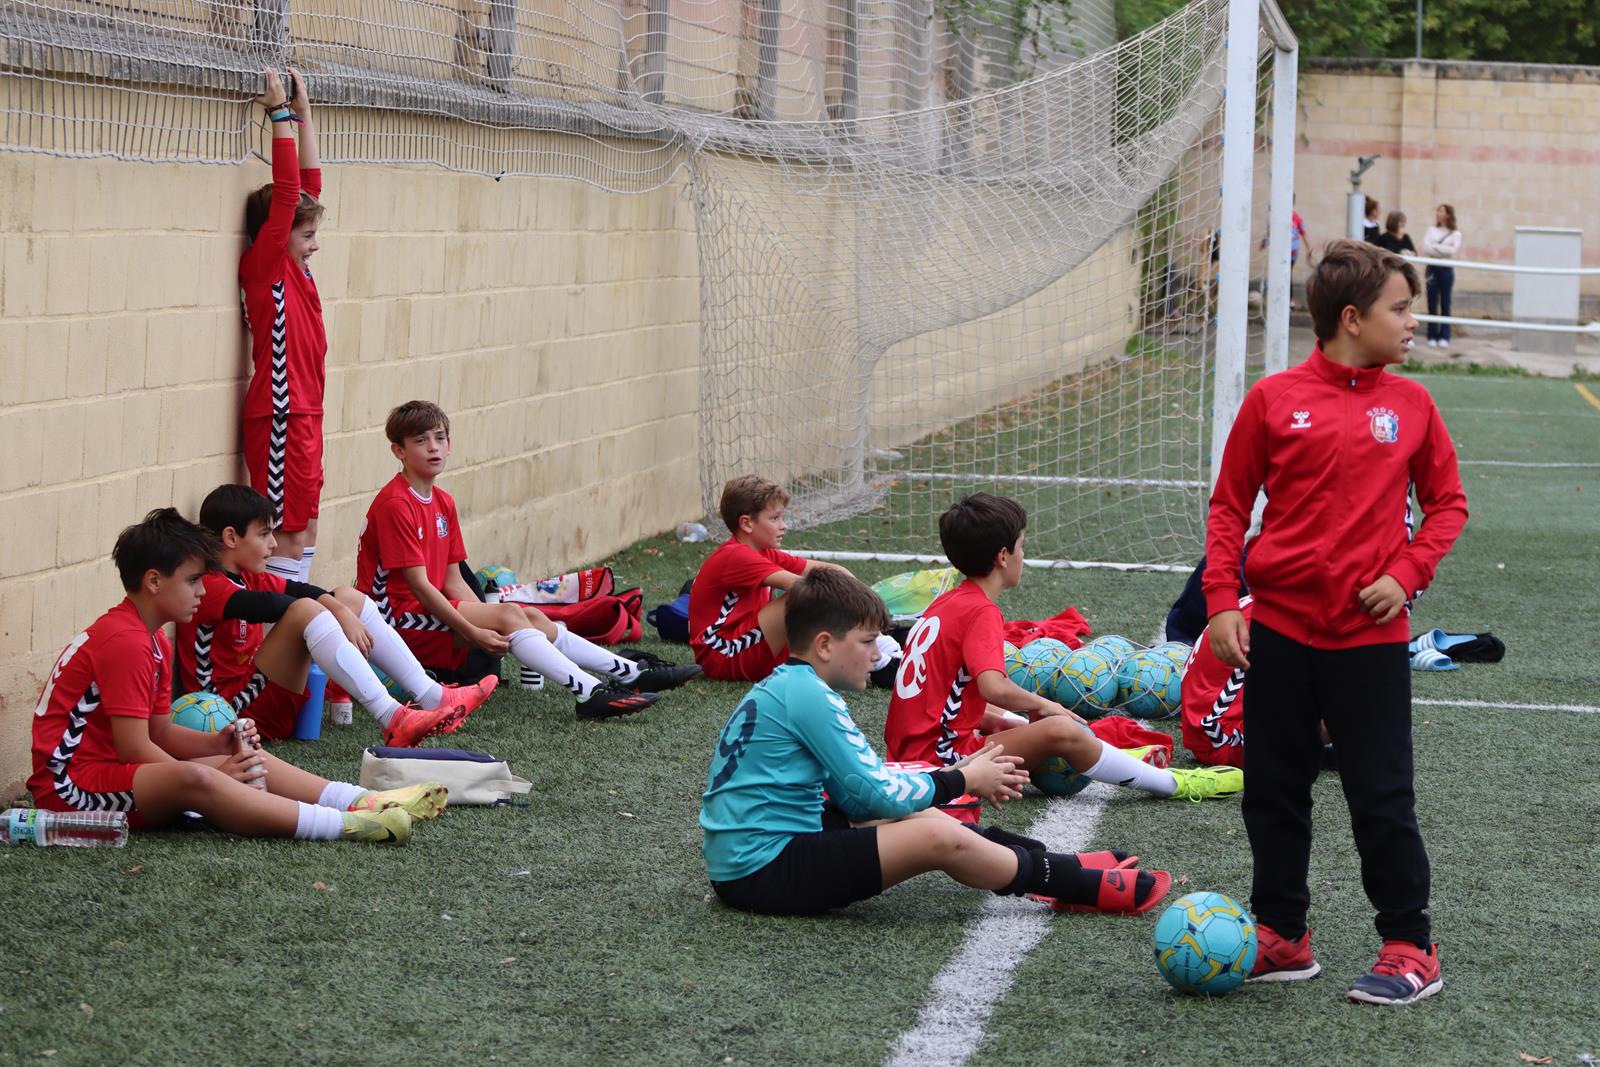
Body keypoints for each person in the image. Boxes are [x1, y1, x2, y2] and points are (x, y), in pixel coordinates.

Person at [1203, 239, 1467, 1005]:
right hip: (1280, 633)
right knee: (1272, 789)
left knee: (1380, 796)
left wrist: (1405, 573)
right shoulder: (1273, 399)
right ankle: (1282, 934)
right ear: (1352, 319)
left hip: (1368, 642)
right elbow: (1230, 506)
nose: (1411, 321)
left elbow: (1448, 505)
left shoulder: (1412, 405)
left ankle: (1411, 944)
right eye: (1399, 308)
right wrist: (1220, 601)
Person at [700, 567, 1164, 917]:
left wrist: (949, 778)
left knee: (916, 810)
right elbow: (873, 793)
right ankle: (1069, 883)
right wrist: (963, 778)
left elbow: (857, 797)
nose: (878, 654)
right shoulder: (807, 696)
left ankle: (1048, 862)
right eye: (867, 641)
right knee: (935, 836)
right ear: (824, 645)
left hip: (761, 855)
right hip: (762, 870)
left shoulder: (793, 686)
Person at [27, 508, 446, 845]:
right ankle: (346, 826)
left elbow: (159, 732)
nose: (201, 591)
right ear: (153, 581)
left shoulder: (151, 639)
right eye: (193, 580)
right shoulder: (127, 641)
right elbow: (136, 748)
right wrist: (215, 774)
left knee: (244, 758)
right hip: (69, 791)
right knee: (198, 778)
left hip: (108, 772)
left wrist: (218, 744)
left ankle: (363, 800)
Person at [883, 493, 1242, 805]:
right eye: (1022, 546)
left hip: (910, 755)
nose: (1024, 555)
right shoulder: (980, 611)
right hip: (942, 763)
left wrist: (1006, 721)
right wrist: (1044, 704)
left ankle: (1108, 753)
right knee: (1059, 730)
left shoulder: (947, 603)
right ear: (1003, 556)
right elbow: (993, 687)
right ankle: (1174, 783)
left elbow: (944, 697)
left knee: (1014, 719)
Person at [356, 401, 700, 721]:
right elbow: (419, 586)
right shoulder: (396, 504)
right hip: (394, 622)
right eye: (421, 440)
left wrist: (490, 622)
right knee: (509, 616)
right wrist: (475, 631)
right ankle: (591, 692)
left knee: (527, 616)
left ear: (450, 444)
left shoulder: (443, 501)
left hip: (423, 611)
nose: (433, 447)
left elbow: (452, 580)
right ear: (399, 451)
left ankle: (632, 674)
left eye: (440, 437)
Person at [176, 484, 497, 745]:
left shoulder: (248, 575)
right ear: (231, 538)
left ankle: (433, 696)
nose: (273, 544)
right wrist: (334, 614)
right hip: (232, 715)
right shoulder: (210, 584)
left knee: (346, 596)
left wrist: (341, 609)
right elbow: (275, 605)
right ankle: (393, 718)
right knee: (306, 610)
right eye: (264, 535)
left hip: (259, 697)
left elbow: (304, 590)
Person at [240, 67, 327, 584]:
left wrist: (303, 114)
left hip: (307, 412)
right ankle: (281, 626)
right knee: (284, 533)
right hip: (281, 414)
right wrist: (277, 115)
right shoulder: (267, 265)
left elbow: (307, 188)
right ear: (277, 232)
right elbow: (292, 192)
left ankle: (302, 629)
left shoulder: (296, 264)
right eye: (307, 235)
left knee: (308, 528)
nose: (315, 244)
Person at [688, 476, 900, 683]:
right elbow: (810, 588)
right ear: (747, 523)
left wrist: (861, 596)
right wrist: (862, 609)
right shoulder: (736, 555)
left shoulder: (764, 553)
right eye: (774, 518)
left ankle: (878, 645)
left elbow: (832, 570)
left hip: (746, 643)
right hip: (724, 654)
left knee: (820, 595)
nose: (784, 525)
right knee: (805, 595)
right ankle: (881, 662)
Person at [1422, 204, 1461, 349]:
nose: (1437, 213)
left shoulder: (1455, 233)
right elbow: (1426, 248)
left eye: (1441, 211)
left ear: (1448, 215)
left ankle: (1444, 335)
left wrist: (1435, 247)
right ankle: (1432, 334)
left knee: (1445, 302)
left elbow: (1453, 251)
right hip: (1432, 267)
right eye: (1437, 210)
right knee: (1432, 302)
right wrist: (1443, 249)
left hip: (1446, 269)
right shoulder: (1431, 230)